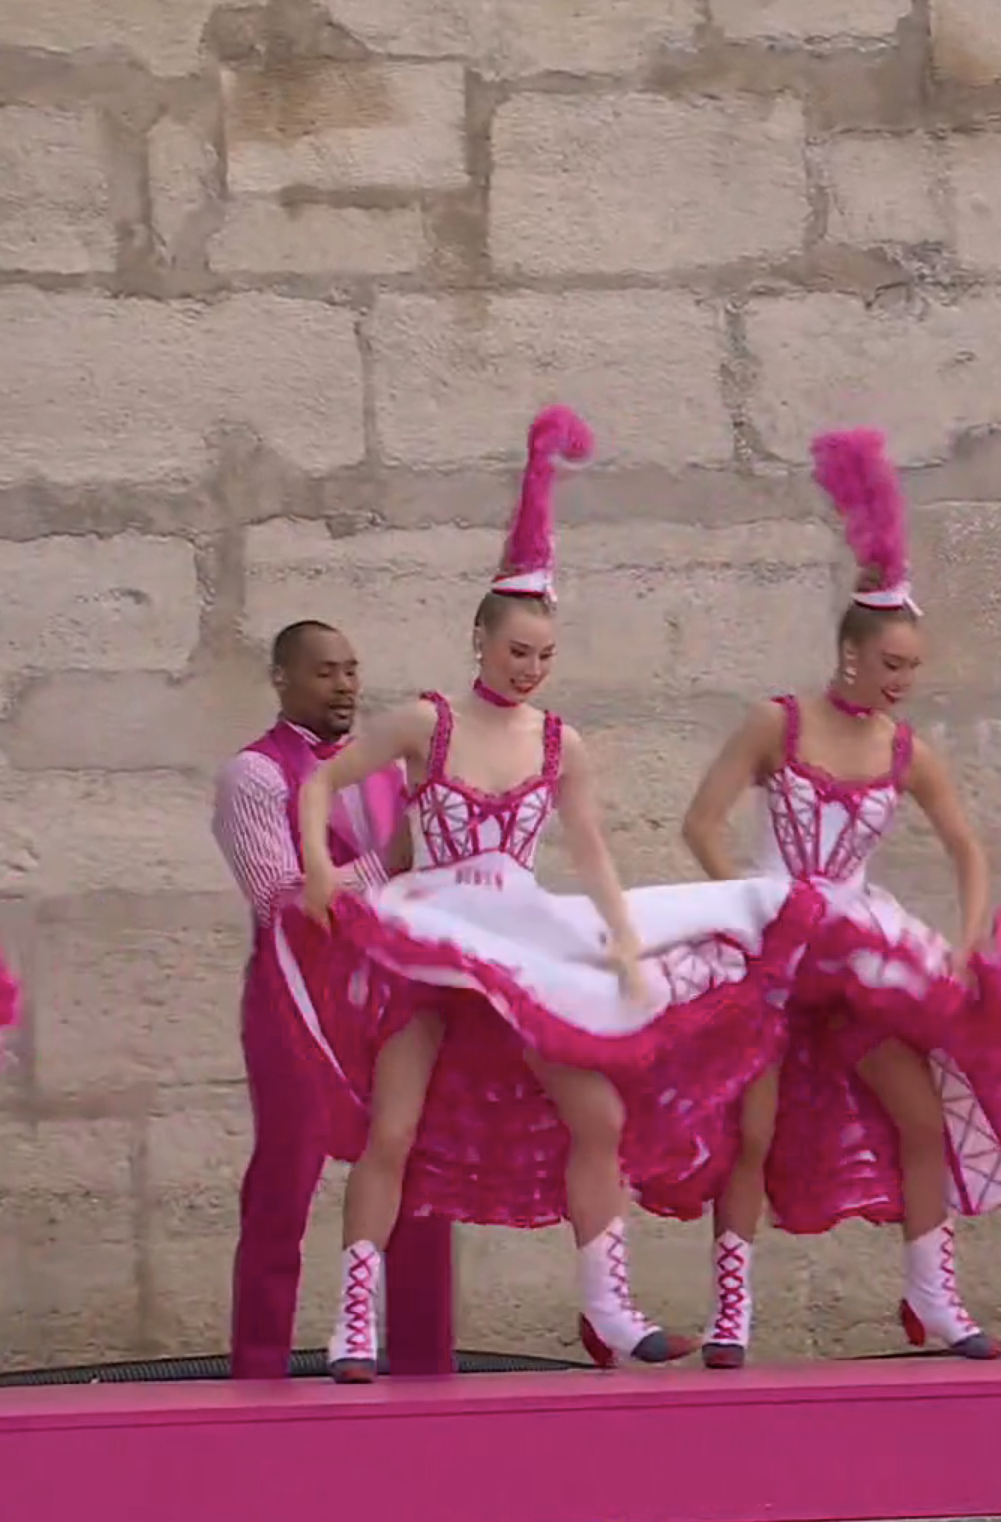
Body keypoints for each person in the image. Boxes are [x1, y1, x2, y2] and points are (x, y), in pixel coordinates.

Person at [287, 406, 820, 1382]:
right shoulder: (425, 721)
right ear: (481, 640)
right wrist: (324, 872)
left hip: (523, 940)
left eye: (543, 654)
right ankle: (351, 1320)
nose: (528, 667)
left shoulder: (558, 743)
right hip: (433, 936)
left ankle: (608, 1307)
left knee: (599, 1116)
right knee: (391, 1128)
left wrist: (620, 940)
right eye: (515, 649)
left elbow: (594, 855)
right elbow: (319, 780)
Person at [671, 427, 1001, 1364]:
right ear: (850, 655)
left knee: (924, 1119)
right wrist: (751, 904)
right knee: (752, 1130)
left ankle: (932, 1298)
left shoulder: (905, 751)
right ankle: (733, 1313)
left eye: (913, 669)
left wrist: (968, 942)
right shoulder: (780, 722)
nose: (905, 682)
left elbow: (968, 848)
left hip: (857, 958)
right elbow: (702, 822)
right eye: (893, 665)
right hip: (775, 944)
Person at [211, 619, 456, 1379]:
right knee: (288, 1172)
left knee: (419, 1171)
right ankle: (259, 1367)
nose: (346, 684)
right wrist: (381, 880)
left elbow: (420, 876)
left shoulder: (381, 770)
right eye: (326, 672)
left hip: (389, 990)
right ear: (283, 678)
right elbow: (279, 895)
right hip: (296, 997)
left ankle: (424, 1363)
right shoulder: (253, 774)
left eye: (352, 669)